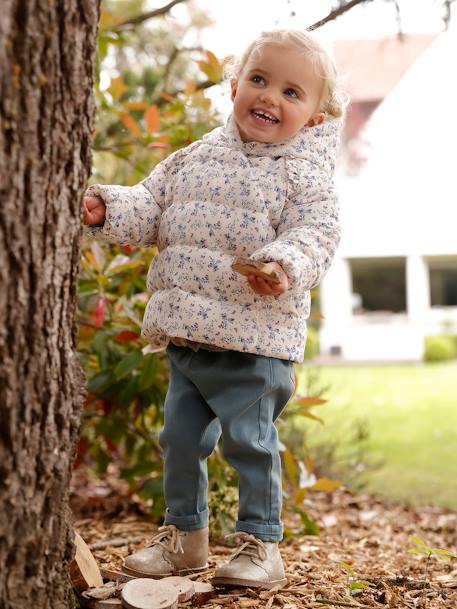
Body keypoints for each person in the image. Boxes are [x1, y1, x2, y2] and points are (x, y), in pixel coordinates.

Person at [83, 29, 346, 589]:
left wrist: (282, 265)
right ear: (234, 87)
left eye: (292, 92)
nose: (270, 97)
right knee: (178, 440)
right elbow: (151, 205)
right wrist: (107, 207)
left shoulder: (305, 176)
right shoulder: (194, 157)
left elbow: (316, 234)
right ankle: (184, 536)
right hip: (189, 339)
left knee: (249, 445)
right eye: (259, 79)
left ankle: (260, 544)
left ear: (316, 119)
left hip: (255, 344)